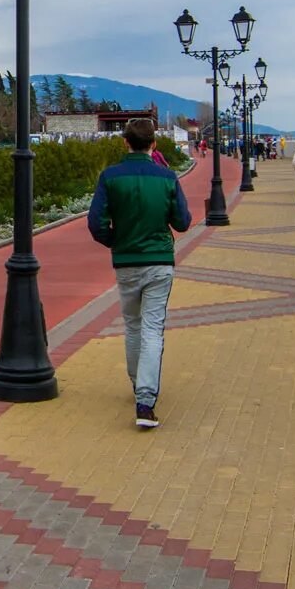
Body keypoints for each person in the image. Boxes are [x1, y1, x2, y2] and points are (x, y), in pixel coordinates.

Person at [87, 117, 192, 429]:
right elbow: (183, 222)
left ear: (125, 143)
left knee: (133, 325)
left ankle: (138, 384)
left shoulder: (110, 177)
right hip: (159, 261)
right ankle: (145, 400)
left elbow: (95, 224)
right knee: (152, 327)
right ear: (153, 145)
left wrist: (116, 241)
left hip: (126, 262)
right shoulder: (167, 177)